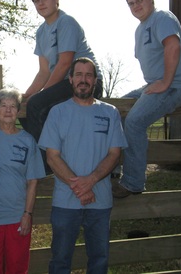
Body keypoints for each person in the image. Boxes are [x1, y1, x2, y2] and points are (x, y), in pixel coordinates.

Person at [38, 57, 127, 274]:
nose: (83, 80)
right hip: (65, 203)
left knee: (99, 260)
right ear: (70, 79)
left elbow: (114, 154)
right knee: (60, 260)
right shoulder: (58, 112)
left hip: (100, 201)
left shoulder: (110, 112)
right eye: (78, 74)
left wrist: (91, 181)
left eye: (88, 75)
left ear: (95, 80)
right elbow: (52, 157)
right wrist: (80, 188)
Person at [112, 0, 181, 199]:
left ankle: (133, 183)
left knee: (135, 121)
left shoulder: (162, 17)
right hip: (156, 83)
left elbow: (173, 47)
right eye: (131, 3)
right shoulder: (140, 29)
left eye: (140, 0)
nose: (136, 5)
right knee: (113, 111)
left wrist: (165, 82)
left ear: (150, 0)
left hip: (179, 84)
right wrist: (155, 83)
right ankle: (112, 172)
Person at [21, 0, 103, 172]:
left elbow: (65, 63)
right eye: (36, 0)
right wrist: (26, 95)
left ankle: (46, 164)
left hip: (83, 82)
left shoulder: (66, 22)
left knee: (36, 105)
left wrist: (39, 96)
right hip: (62, 83)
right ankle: (53, 155)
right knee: (24, 107)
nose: (41, 3)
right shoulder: (41, 32)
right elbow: (43, 72)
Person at [0, 89, 46, 274]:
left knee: (17, 267)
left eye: (13, 106)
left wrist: (27, 214)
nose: (8, 110)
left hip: (17, 217)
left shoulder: (27, 141)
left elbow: (32, 182)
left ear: (18, 111)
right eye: (4, 106)